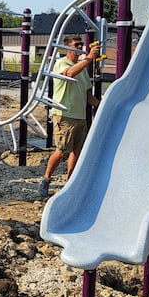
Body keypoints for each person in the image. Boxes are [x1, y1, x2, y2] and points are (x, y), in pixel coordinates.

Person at [39, 36, 100, 197]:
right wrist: (89, 58)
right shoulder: (62, 63)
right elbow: (70, 73)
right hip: (64, 115)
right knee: (62, 151)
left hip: (80, 116)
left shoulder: (83, 69)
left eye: (81, 44)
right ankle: (46, 179)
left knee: (77, 151)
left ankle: (70, 182)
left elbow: (87, 94)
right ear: (68, 48)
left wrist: (101, 105)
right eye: (76, 45)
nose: (80, 47)